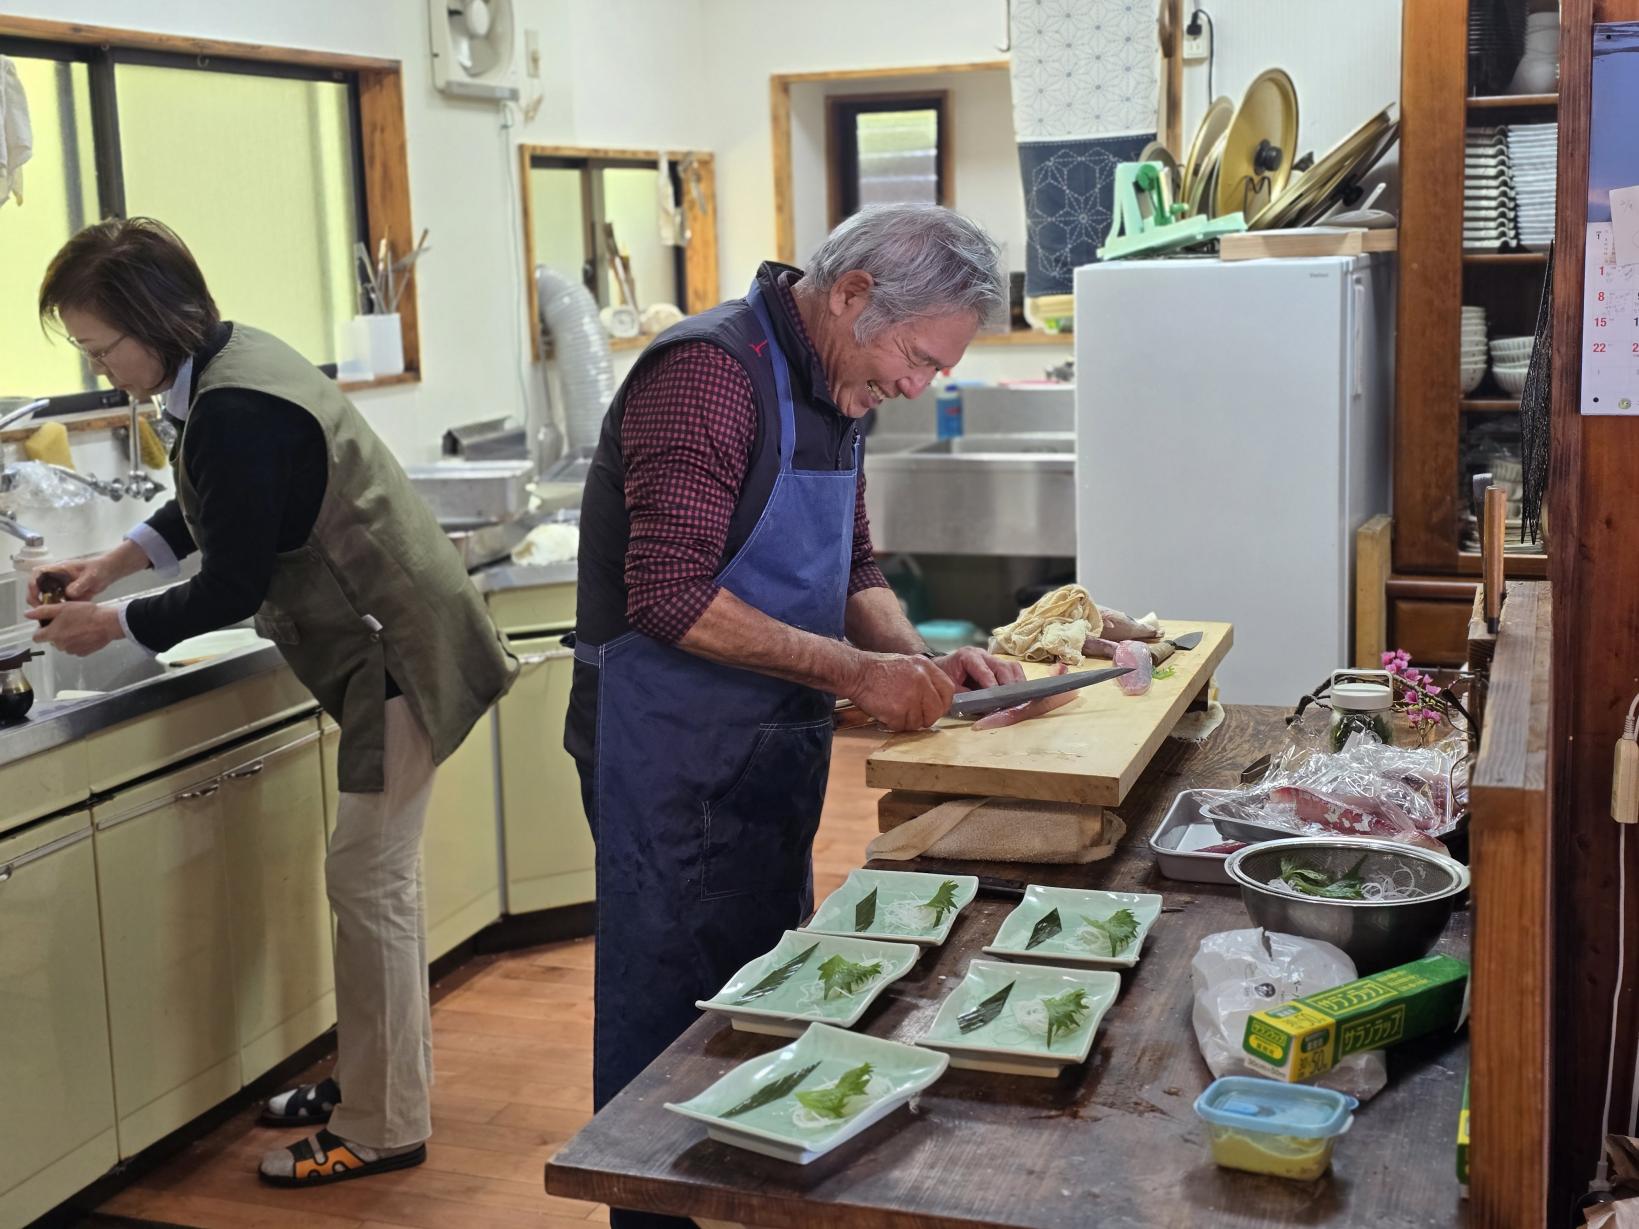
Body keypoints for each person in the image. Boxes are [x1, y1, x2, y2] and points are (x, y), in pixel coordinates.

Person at [27, 217, 517, 1187]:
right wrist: (114, 563)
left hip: (395, 651)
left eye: (100, 346)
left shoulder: (232, 406)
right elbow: (209, 504)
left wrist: (112, 624)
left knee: (367, 885)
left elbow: (231, 583)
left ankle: (381, 1124)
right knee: (375, 885)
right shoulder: (224, 366)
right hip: (387, 639)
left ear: (154, 320)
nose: (100, 366)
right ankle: (368, 1078)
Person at [566, 204, 1022, 1225]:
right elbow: (669, 594)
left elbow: (851, 564)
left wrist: (918, 660)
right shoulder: (706, 377)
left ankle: (748, 1200)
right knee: (666, 1019)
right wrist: (859, 674)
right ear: (853, 295)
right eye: (917, 356)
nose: (918, 385)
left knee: (768, 999)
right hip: (667, 750)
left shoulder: (839, 385)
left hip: (769, 744)